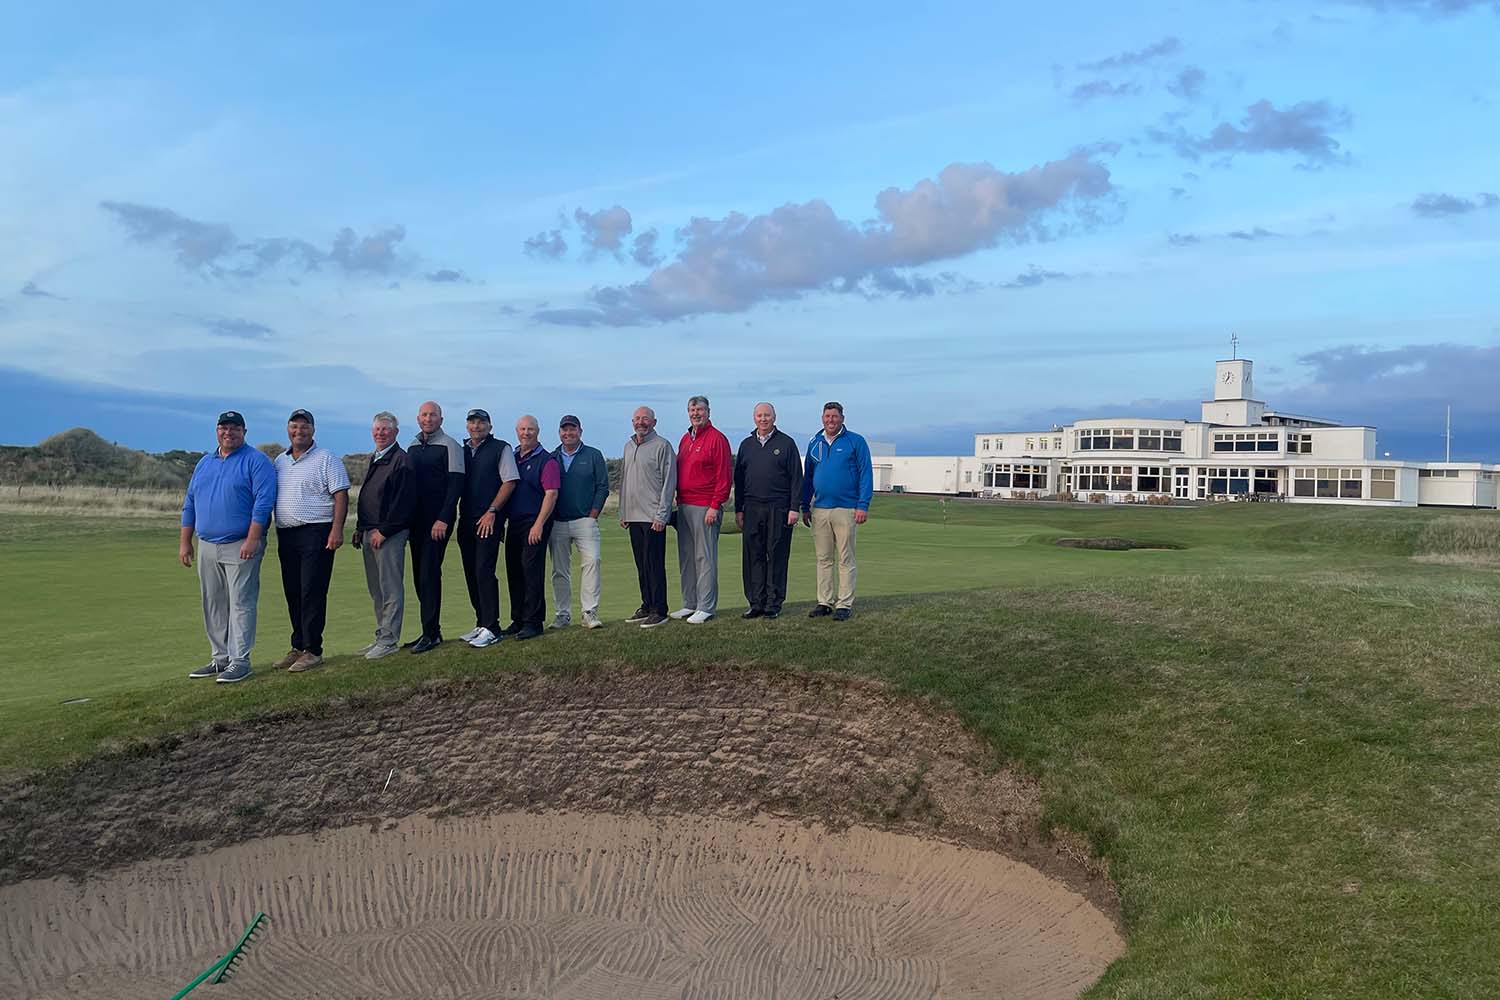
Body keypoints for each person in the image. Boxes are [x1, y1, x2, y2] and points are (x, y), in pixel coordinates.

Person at [180, 410, 277, 683]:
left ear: (244, 432)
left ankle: (240, 660)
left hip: (241, 544)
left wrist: (253, 538)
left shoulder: (256, 461)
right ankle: (220, 659)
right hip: (207, 544)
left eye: (235, 428)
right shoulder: (204, 463)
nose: (228, 433)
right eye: (224, 428)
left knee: (241, 602)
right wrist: (185, 542)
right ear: (217, 431)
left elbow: (263, 503)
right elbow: (190, 503)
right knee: (213, 603)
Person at [270, 408, 350, 672]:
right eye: (294, 426)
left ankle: (313, 650)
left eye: (304, 427)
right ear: (288, 429)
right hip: (287, 533)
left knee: (312, 591)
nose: (299, 431)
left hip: (316, 532)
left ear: (313, 430)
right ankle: (298, 645)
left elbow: (340, 495)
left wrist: (336, 529)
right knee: (293, 591)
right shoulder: (280, 461)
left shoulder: (326, 458)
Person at [800, 401, 873, 621]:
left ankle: (844, 604)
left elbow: (865, 474)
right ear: (822, 418)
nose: (830, 420)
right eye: (827, 416)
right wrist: (805, 506)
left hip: (846, 508)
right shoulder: (815, 442)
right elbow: (808, 478)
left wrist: (863, 505)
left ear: (842, 418)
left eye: (834, 416)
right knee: (823, 558)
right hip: (820, 509)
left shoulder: (855, 441)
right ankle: (825, 601)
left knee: (845, 558)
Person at [353, 411, 415, 658]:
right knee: (376, 588)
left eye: (385, 429)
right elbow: (368, 497)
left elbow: (404, 502)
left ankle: (389, 640)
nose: (380, 433)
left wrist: (385, 530)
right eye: (377, 429)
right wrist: (360, 528)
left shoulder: (401, 459)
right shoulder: (376, 458)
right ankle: (382, 634)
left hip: (389, 533)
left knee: (390, 588)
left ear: (395, 433)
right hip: (370, 530)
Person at [406, 401, 465, 653]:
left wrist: (443, 518)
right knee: (419, 575)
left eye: (433, 415)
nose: (428, 418)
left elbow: (455, 485)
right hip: (415, 522)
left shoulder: (449, 445)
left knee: (429, 573)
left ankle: (431, 633)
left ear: (441, 419)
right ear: (418, 419)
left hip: (438, 521)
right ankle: (430, 630)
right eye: (424, 415)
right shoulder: (412, 446)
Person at [456, 408, 518, 648]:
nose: (476, 426)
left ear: (489, 426)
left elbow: (509, 481)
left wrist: (492, 512)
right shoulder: (462, 451)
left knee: (484, 571)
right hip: (466, 519)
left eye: (481, 422)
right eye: (472, 422)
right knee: (471, 572)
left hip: (489, 519)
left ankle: (492, 627)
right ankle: (481, 622)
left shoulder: (500, 448)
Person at [734, 402, 802, 620]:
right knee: (753, 556)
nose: (763, 419)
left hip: (779, 508)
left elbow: (796, 479)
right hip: (752, 508)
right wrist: (739, 509)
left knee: (777, 556)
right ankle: (756, 602)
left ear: (774, 417)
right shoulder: (746, 445)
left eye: (767, 415)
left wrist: (794, 508)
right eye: (759, 415)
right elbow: (739, 480)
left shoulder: (787, 443)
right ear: (754, 418)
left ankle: (774, 603)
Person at [671, 395, 732, 624]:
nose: (696, 413)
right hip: (684, 504)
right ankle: (690, 603)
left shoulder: (717, 439)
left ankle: (706, 606)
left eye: (700, 410)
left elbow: (724, 476)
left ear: (708, 412)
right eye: (692, 410)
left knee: (704, 557)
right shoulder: (686, 439)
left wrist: (715, 505)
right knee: (686, 557)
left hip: (706, 506)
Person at [501, 415, 560, 641]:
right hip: (514, 523)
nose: (526, 433)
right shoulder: (512, 458)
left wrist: (538, 524)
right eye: (523, 429)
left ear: (538, 431)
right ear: (517, 431)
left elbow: (551, 494)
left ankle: (533, 622)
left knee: (531, 571)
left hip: (535, 522)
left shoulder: (547, 460)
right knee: (514, 570)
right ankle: (518, 619)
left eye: (531, 429)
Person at [548, 414, 609, 630]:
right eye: (564, 429)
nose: (568, 433)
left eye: (572, 429)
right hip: (557, 522)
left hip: (585, 520)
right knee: (559, 570)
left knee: (592, 562)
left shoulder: (593, 455)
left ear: (580, 431)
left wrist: (593, 514)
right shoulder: (552, 457)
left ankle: (589, 612)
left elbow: (603, 486)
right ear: (559, 432)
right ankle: (562, 615)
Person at [619, 406, 676, 629]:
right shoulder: (628, 445)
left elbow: (669, 483)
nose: (640, 422)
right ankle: (646, 605)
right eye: (637, 419)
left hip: (653, 516)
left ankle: (659, 609)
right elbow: (625, 480)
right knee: (641, 564)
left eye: (645, 419)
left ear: (654, 422)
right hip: (633, 516)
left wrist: (662, 515)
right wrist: (623, 511)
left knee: (654, 564)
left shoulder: (662, 446)